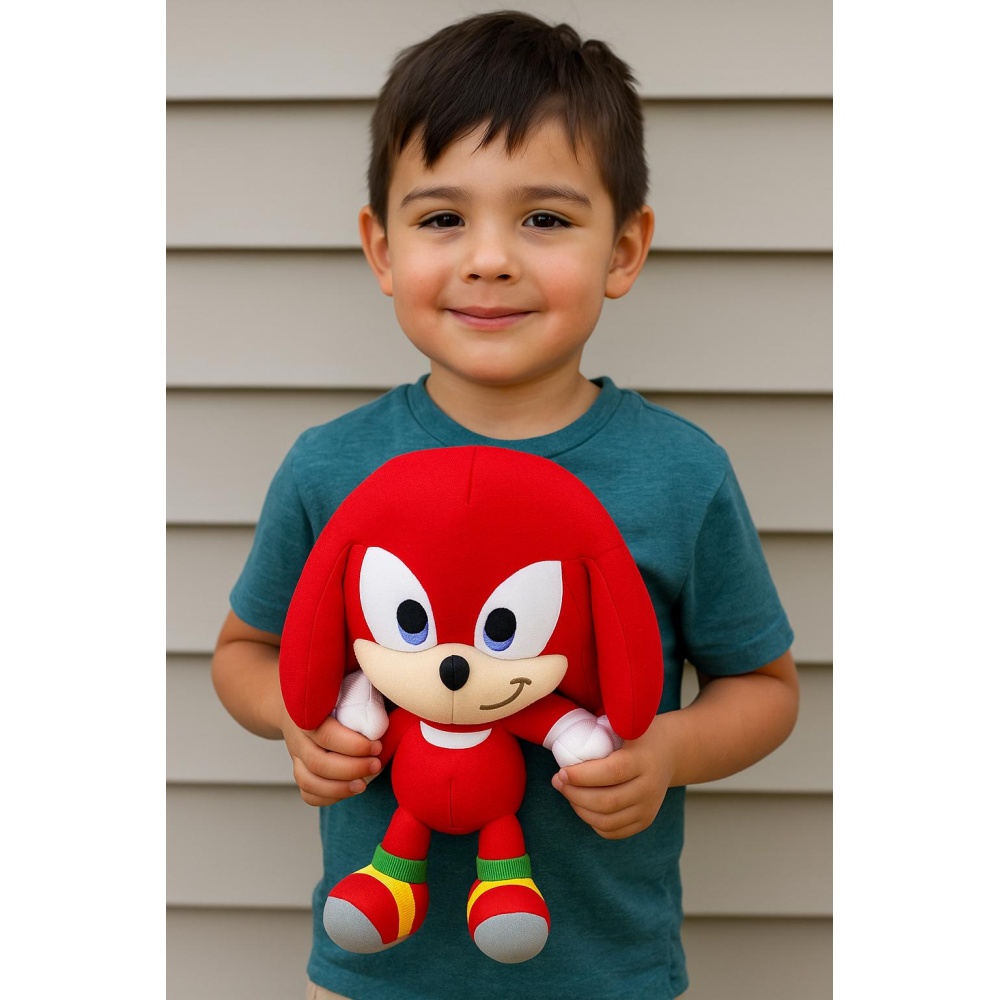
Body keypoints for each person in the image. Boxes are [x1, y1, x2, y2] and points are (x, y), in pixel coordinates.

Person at [211, 11, 799, 1000]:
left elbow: (765, 686)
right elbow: (243, 651)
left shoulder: (677, 472)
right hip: (375, 968)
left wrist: (669, 749)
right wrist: (296, 722)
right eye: (443, 218)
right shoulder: (331, 467)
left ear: (623, 249)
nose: (489, 258)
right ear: (382, 248)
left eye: (545, 219)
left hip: (602, 972)